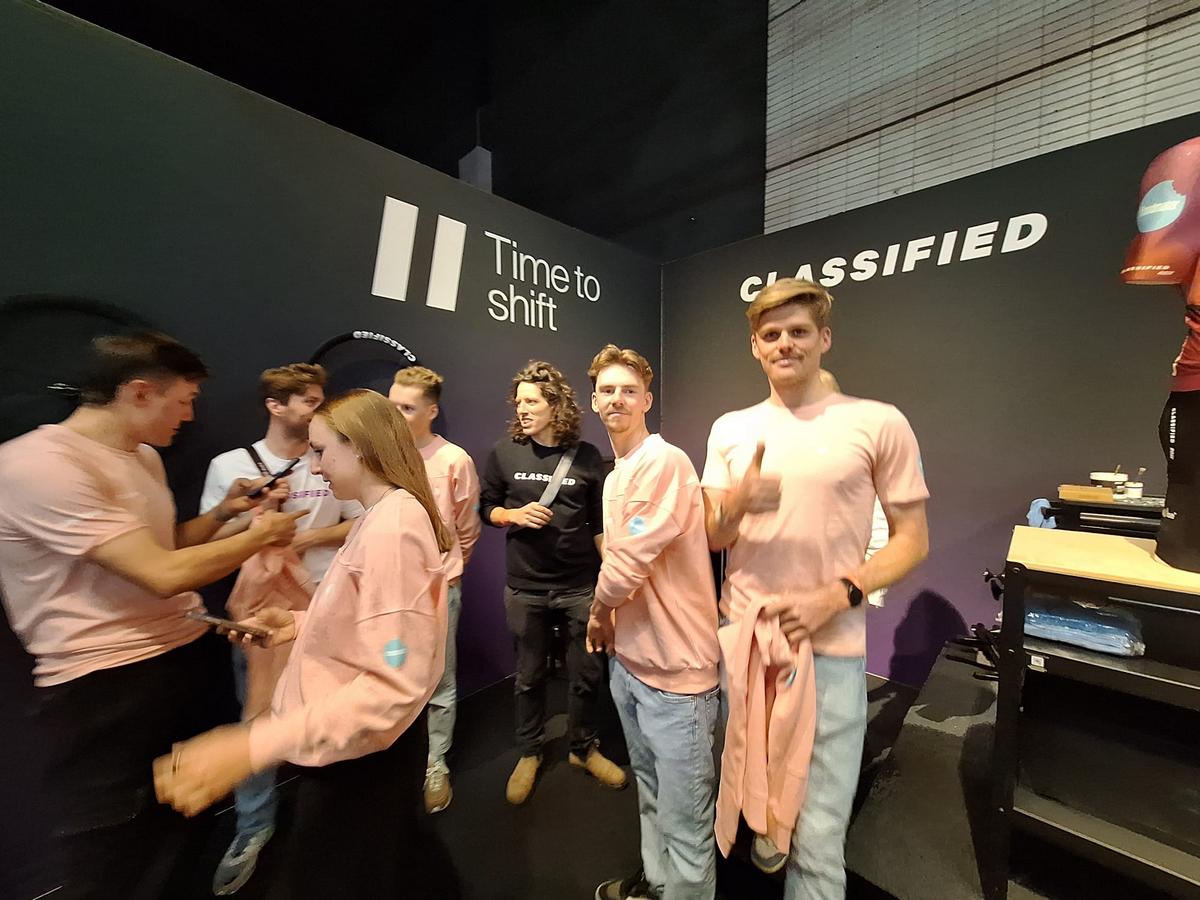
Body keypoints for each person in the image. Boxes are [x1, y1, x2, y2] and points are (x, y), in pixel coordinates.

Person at [0, 331, 304, 900]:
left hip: (182, 656)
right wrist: (262, 535)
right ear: (140, 392)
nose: (189, 417)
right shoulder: (39, 465)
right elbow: (162, 574)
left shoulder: (142, 456)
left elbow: (165, 547)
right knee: (116, 851)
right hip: (107, 684)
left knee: (187, 823)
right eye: (183, 401)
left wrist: (226, 515)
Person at [154, 389, 454, 899]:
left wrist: (251, 745)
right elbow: (366, 623)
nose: (314, 468)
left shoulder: (394, 528)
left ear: (358, 446)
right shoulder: (382, 515)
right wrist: (298, 623)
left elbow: (392, 685)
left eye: (320, 451)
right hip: (351, 752)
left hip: (360, 760)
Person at [701, 278, 929, 899]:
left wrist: (838, 594)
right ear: (755, 347)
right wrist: (736, 504)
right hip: (745, 639)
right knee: (750, 768)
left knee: (822, 835)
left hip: (830, 645)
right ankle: (770, 831)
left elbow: (912, 539)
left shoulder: (878, 422)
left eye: (799, 331)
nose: (785, 344)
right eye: (771, 334)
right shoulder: (730, 429)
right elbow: (714, 534)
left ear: (824, 338)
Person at [200, 362, 361, 895]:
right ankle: (253, 827)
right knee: (257, 716)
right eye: (309, 401)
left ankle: (331, 819)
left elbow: (361, 520)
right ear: (276, 405)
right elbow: (208, 548)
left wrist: (304, 539)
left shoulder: (331, 458)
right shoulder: (230, 467)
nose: (319, 408)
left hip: (325, 610)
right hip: (258, 614)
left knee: (333, 715)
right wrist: (256, 524)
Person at [584, 345, 721, 900]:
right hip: (633, 664)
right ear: (594, 401)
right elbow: (621, 557)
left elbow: (626, 563)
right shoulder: (617, 475)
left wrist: (599, 613)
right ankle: (657, 885)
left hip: (677, 678)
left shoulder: (663, 462)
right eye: (607, 390)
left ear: (647, 400)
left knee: (687, 827)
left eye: (628, 390)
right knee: (649, 791)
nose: (617, 399)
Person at [479, 360, 627, 804]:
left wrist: (616, 576)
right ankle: (530, 752)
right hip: (525, 587)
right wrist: (512, 515)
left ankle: (583, 748)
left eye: (531, 401)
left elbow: (598, 524)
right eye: (518, 402)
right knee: (529, 676)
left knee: (586, 674)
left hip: (580, 586)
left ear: (555, 405)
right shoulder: (503, 452)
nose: (522, 409)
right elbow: (486, 508)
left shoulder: (587, 457)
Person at [388, 365, 481, 813]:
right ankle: (393, 764)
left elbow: (467, 526)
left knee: (440, 681)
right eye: (392, 406)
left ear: (431, 411)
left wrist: (450, 571)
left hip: (439, 589)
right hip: (387, 592)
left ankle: (434, 763)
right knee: (390, 675)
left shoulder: (453, 460)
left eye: (407, 408)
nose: (396, 415)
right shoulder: (379, 456)